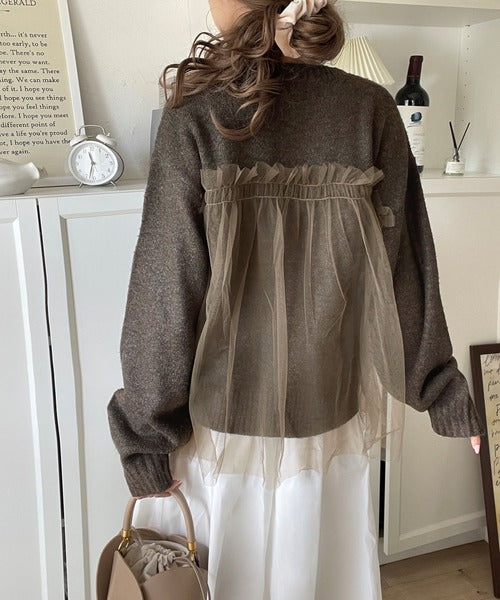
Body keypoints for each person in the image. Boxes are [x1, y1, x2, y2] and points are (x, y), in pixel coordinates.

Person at [107, 0, 486, 598]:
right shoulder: (370, 110)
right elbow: (406, 269)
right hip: (329, 423)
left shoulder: (196, 118)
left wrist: (145, 439)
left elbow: (166, 291)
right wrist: (439, 389)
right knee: (316, 575)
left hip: (220, 430)